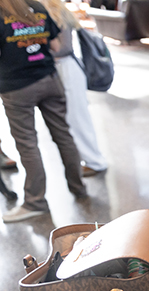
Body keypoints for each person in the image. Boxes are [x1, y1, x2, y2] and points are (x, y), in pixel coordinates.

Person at [0, 0, 86, 223]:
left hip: (17, 88)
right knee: (63, 135)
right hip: (49, 79)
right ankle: (79, 188)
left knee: (28, 144)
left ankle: (35, 202)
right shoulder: (36, 6)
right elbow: (56, 46)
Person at [40, 0, 108, 177]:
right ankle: (86, 159)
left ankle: (95, 162)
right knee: (69, 120)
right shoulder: (43, 10)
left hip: (67, 69)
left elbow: (64, 48)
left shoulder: (57, 11)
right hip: (58, 71)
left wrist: (37, 53)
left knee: (78, 119)